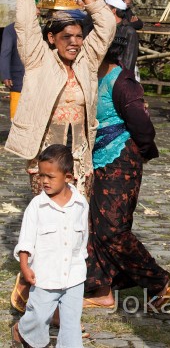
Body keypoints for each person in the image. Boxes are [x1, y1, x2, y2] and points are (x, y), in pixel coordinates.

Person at [6, 0, 115, 313]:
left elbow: (107, 25)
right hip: (46, 157)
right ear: (52, 38)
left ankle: (62, 292)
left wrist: (91, 2)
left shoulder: (87, 60)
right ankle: (31, 282)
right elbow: (25, 25)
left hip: (79, 158)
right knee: (46, 220)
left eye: (79, 35)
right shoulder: (39, 59)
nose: (74, 42)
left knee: (74, 224)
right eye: (66, 36)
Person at [84, 35, 170, 309]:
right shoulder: (90, 76)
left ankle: (158, 281)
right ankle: (100, 290)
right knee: (94, 226)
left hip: (121, 158)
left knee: (113, 230)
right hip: (96, 159)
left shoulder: (122, 82)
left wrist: (142, 150)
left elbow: (142, 126)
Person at [11, 145, 89, 348]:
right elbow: (26, 240)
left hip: (74, 275)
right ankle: (22, 331)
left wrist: (81, 263)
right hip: (44, 275)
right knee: (39, 315)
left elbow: (83, 240)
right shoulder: (37, 207)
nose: (44, 181)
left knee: (71, 323)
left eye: (50, 176)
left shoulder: (81, 204)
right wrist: (25, 267)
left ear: (68, 177)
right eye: (41, 175)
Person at [105, 0, 139, 72]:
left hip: (119, 75)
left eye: (106, 9)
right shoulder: (105, 28)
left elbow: (129, 60)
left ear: (114, 10)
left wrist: (123, 78)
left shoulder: (129, 32)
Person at [0, 22, 25, 120]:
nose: (38, 12)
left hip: (37, 79)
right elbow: (5, 52)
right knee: (16, 117)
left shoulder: (39, 28)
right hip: (18, 79)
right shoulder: (11, 29)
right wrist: (6, 75)